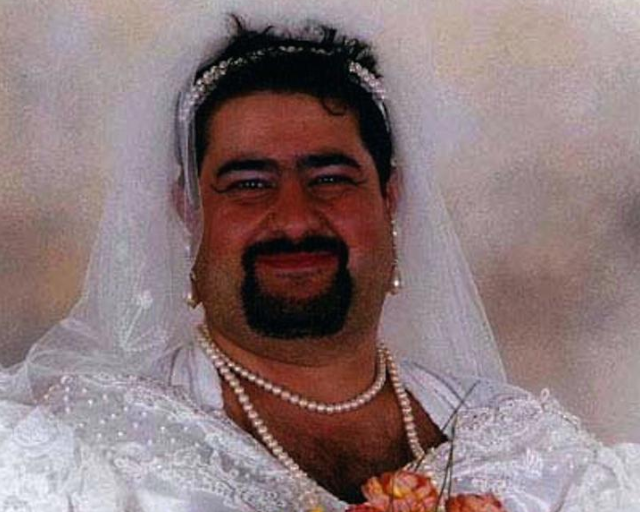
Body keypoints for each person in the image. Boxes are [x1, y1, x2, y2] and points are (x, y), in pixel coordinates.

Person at [1, 14, 639, 512]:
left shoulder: (530, 451)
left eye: (330, 177)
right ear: (188, 213)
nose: (294, 217)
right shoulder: (86, 445)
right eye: (249, 183)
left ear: (390, 197)